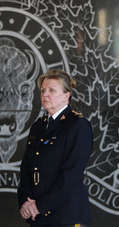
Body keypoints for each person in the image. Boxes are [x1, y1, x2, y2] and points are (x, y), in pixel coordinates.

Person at [17, 69, 93, 226]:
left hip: (66, 215)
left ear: (67, 95)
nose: (45, 94)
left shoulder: (77, 125)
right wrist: (25, 202)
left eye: (52, 90)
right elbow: (26, 168)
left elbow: (70, 174)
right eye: (43, 90)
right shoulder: (38, 126)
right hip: (38, 216)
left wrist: (40, 206)